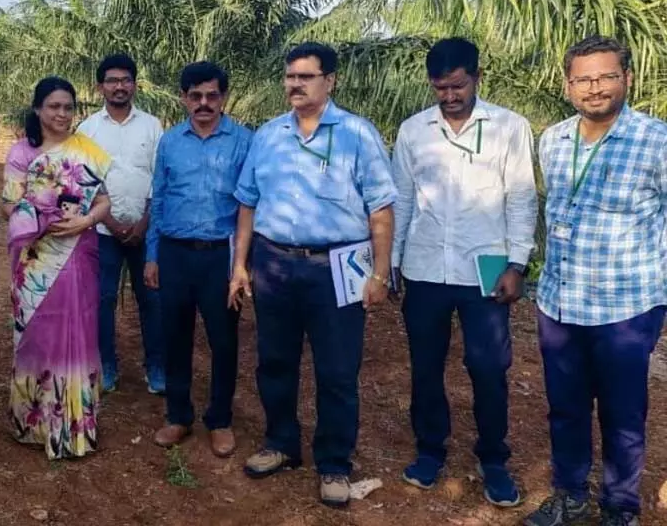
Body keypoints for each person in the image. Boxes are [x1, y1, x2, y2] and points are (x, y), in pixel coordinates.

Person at [229, 42, 396, 509]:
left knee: (338, 369)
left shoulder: (357, 134)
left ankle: (334, 463)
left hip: (338, 266)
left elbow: (381, 208)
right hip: (274, 263)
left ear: (330, 81)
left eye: (306, 76)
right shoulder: (269, 135)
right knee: (274, 361)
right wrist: (240, 265)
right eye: (290, 77)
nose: (295, 84)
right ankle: (281, 442)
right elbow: (247, 203)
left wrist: (381, 274)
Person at [522, 36, 667, 526]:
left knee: (622, 414)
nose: (595, 88)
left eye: (606, 76)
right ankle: (570, 495)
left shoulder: (656, 141)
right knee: (565, 408)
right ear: (568, 85)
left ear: (627, 78)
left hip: (625, 308)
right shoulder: (553, 140)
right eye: (583, 79)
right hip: (559, 303)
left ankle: (619, 507)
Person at [391, 38, 536, 507]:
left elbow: (521, 198)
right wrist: (392, 261)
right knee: (426, 366)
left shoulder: (509, 128)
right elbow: (402, 199)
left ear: (477, 77)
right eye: (440, 88)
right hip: (426, 268)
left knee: (488, 367)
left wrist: (517, 264)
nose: (450, 96)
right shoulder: (414, 131)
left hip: (486, 271)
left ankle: (493, 458)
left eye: (458, 86)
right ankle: (430, 450)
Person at [3, 77, 113, 460]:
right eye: (53, 106)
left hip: (79, 254)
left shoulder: (86, 151)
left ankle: (75, 426)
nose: (62, 114)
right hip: (36, 260)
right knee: (39, 334)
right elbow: (8, 206)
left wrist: (85, 221)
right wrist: (44, 216)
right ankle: (35, 424)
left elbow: (103, 201)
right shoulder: (22, 152)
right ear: (38, 109)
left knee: (78, 329)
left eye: (68, 107)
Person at [147, 62, 251, 459]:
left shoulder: (244, 141)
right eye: (195, 96)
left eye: (212, 95)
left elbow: (251, 206)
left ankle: (220, 420)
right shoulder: (170, 141)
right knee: (175, 337)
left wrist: (244, 264)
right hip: (174, 253)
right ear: (183, 98)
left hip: (220, 258)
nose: (204, 103)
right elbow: (159, 199)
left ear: (224, 97)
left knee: (223, 340)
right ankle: (178, 416)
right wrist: (152, 255)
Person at [78, 53, 165, 394]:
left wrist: (144, 222)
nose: (119, 86)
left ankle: (156, 368)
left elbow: (160, 178)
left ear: (135, 85)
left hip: (146, 231)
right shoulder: (88, 130)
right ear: (100, 86)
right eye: (112, 81)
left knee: (152, 300)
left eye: (125, 80)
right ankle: (106, 366)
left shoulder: (152, 126)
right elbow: (85, 182)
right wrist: (111, 222)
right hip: (103, 231)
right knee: (102, 300)